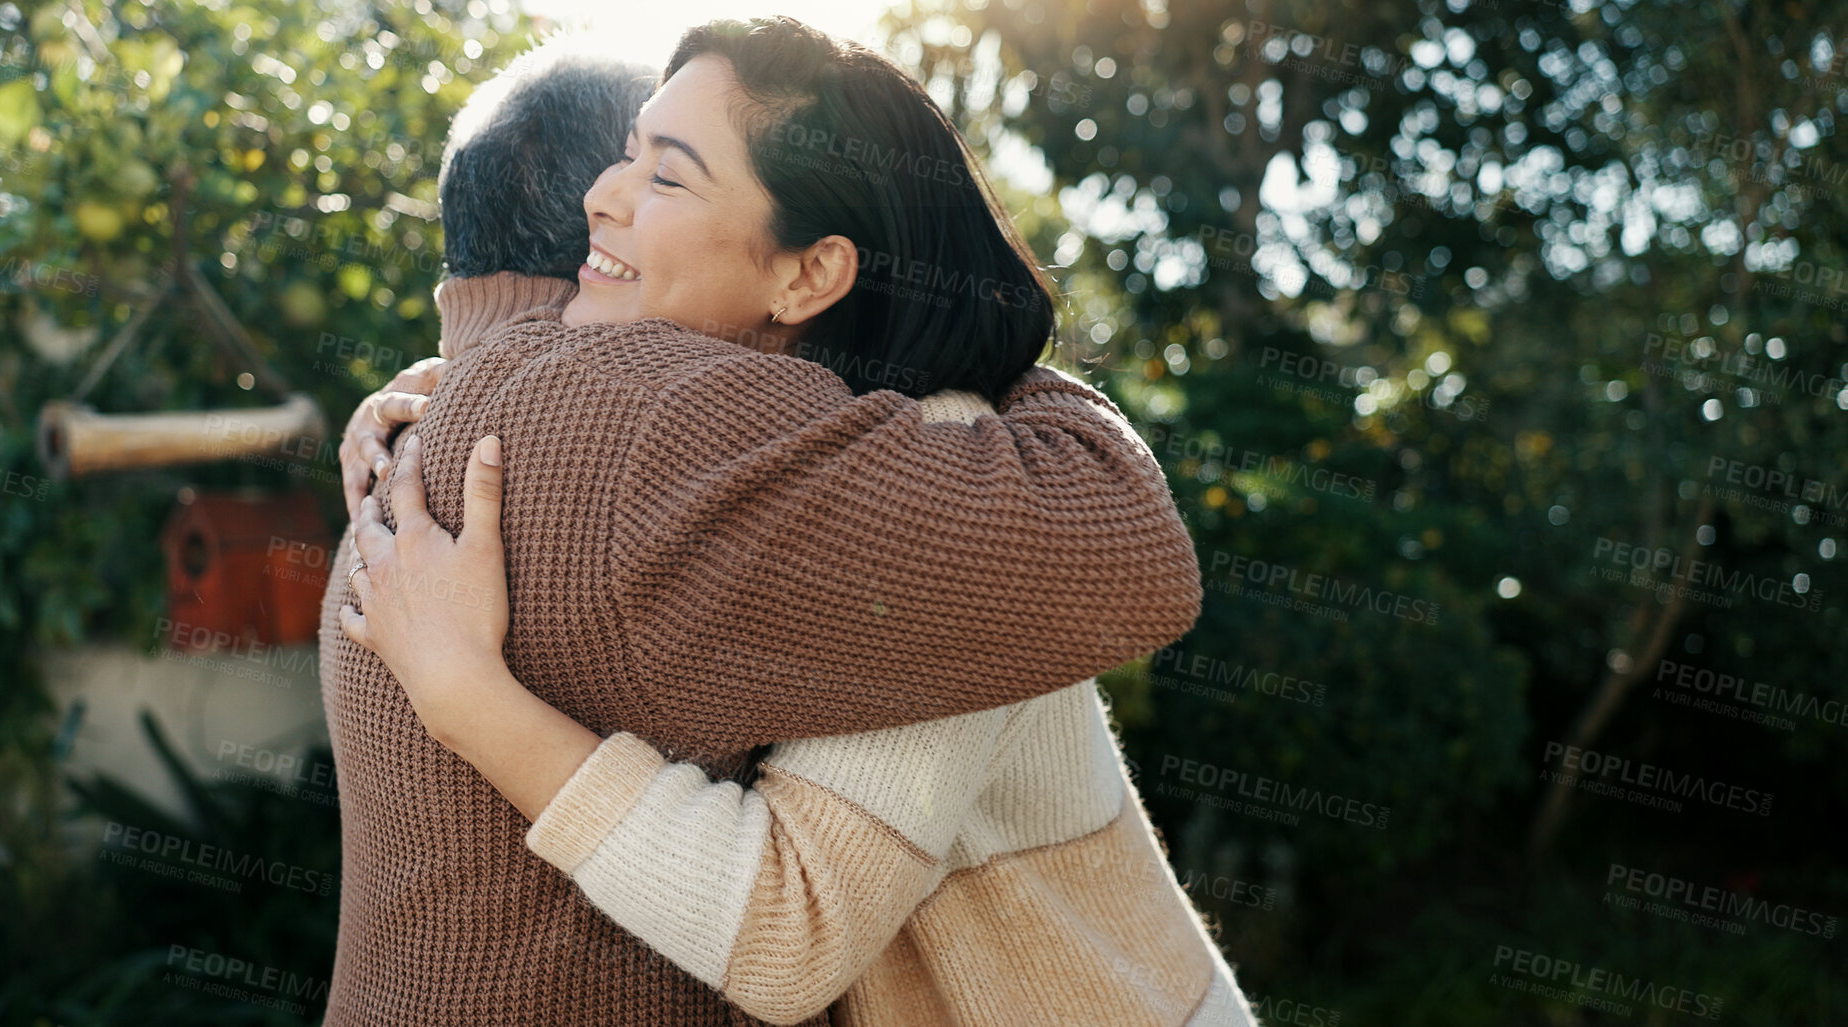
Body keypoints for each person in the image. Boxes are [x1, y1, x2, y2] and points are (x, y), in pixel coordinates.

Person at [322, 18, 1252, 1027]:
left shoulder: (933, 476)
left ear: (809, 273)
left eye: (667, 175)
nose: (607, 194)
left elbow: (787, 929)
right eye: (626, 154)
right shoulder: (797, 454)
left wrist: (472, 698)